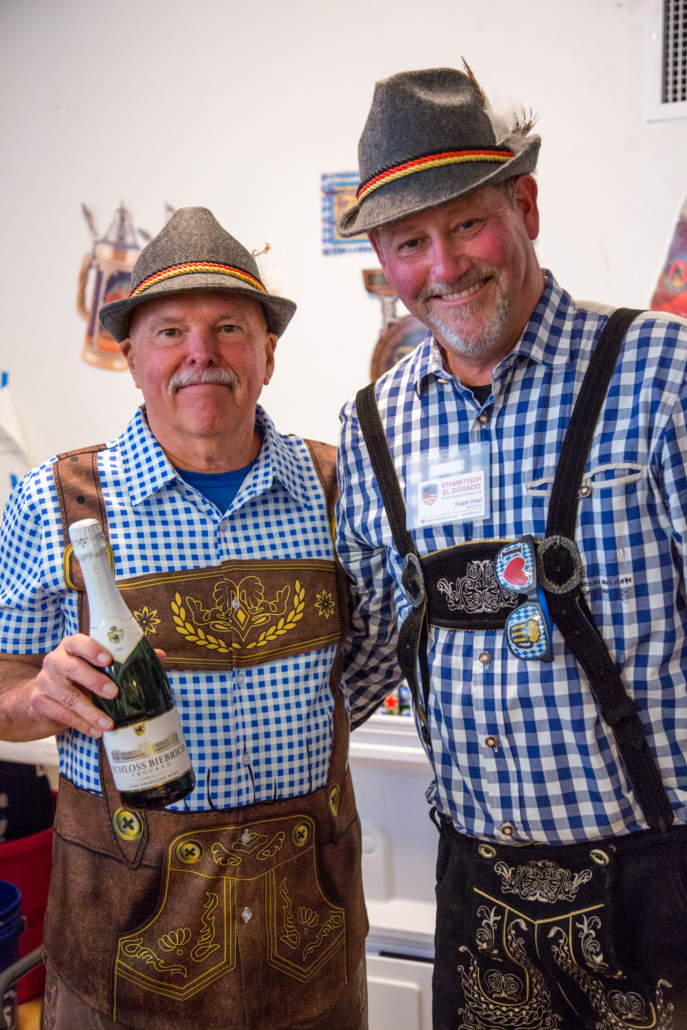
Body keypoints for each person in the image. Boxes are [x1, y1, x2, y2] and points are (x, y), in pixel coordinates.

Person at [335, 66, 687, 1029]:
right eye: (410, 242)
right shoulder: (374, 425)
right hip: (478, 891)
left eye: (466, 224)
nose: (444, 266)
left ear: (524, 206)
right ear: (382, 258)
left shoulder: (659, 371)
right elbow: (361, 655)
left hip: (659, 881)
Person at [0, 207, 368, 1030]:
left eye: (229, 327)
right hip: (122, 957)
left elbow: (374, 659)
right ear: (131, 357)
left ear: (267, 352)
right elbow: (2, 684)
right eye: (170, 331)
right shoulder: (53, 501)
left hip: (313, 950)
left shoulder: (342, 488)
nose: (201, 353)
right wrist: (35, 699)